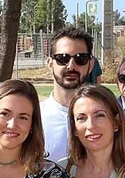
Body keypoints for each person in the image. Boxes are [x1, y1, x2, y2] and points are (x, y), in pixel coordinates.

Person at [39, 27, 95, 163]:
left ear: (91, 64)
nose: (71, 66)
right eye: (62, 58)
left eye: (80, 59)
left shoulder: (105, 117)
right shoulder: (35, 116)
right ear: (50, 63)